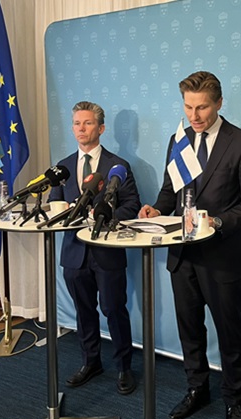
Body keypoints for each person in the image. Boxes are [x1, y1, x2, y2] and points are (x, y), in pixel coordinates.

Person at [138, 71, 241, 419]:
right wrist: (156, 209)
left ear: (219, 103)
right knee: (190, 329)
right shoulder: (178, 140)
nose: (194, 115)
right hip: (182, 257)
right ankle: (197, 389)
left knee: (229, 333)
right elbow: (171, 191)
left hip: (222, 257)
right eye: (188, 107)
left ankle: (234, 400)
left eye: (203, 108)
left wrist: (218, 221)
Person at [49, 101, 141, 395]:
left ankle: (124, 367)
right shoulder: (63, 166)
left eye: (87, 123)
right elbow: (54, 205)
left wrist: (105, 216)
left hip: (107, 253)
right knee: (83, 311)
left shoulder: (118, 166)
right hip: (74, 253)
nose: (81, 129)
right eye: (77, 123)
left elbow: (132, 206)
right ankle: (91, 362)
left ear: (101, 128)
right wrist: (62, 211)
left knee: (114, 309)